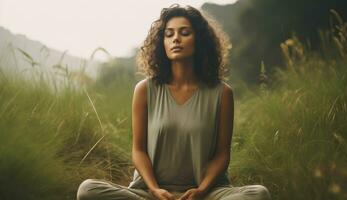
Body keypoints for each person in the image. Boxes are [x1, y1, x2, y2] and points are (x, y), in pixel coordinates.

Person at [77, 4, 271, 200]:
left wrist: (201, 190)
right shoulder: (145, 90)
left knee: (259, 194)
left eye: (184, 32)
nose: (175, 39)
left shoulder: (222, 93)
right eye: (168, 35)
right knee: (88, 190)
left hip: (207, 193)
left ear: (199, 40)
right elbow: (139, 150)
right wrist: (154, 189)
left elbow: (222, 155)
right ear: (162, 43)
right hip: (150, 193)